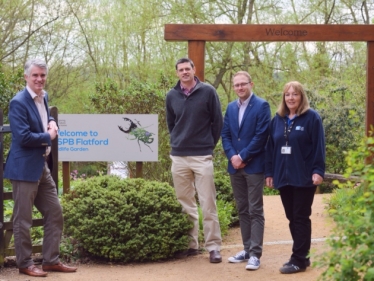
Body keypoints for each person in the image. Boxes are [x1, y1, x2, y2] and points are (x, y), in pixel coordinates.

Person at [4, 58, 78, 277]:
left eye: (43, 75)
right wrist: (49, 136)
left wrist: (52, 123)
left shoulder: (43, 97)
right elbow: (23, 136)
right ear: (26, 77)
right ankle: (25, 263)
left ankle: (50, 260)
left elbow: (43, 121)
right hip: (24, 169)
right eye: (35, 75)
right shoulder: (18, 101)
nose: (39, 79)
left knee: (55, 212)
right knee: (23, 220)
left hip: (42, 167)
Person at [166, 57, 223, 263]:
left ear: (194, 70)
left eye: (187, 69)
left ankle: (214, 246)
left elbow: (217, 122)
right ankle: (191, 245)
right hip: (179, 156)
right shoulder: (171, 95)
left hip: (202, 155)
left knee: (208, 202)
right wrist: (178, 141)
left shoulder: (208, 92)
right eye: (180, 70)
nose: (184, 72)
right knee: (185, 203)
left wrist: (208, 144)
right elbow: (171, 124)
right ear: (177, 73)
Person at [265, 81, 325, 274]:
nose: (291, 98)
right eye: (287, 94)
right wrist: (270, 172)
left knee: (300, 217)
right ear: (284, 97)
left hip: (304, 177)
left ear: (302, 97)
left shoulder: (312, 118)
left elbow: (318, 147)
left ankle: (298, 259)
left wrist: (318, 170)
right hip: (283, 177)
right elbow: (271, 148)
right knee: (292, 217)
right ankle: (303, 255)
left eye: (295, 94)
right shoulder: (278, 119)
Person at [221, 71, 271, 270]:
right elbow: (225, 134)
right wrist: (233, 156)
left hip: (254, 166)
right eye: (236, 85)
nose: (240, 88)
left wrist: (242, 157)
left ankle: (255, 254)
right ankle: (246, 249)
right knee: (242, 209)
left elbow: (261, 136)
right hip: (235, 167)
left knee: (255, 210)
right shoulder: (231, 108)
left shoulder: (262, 105)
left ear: (251, 84)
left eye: (243, 84)